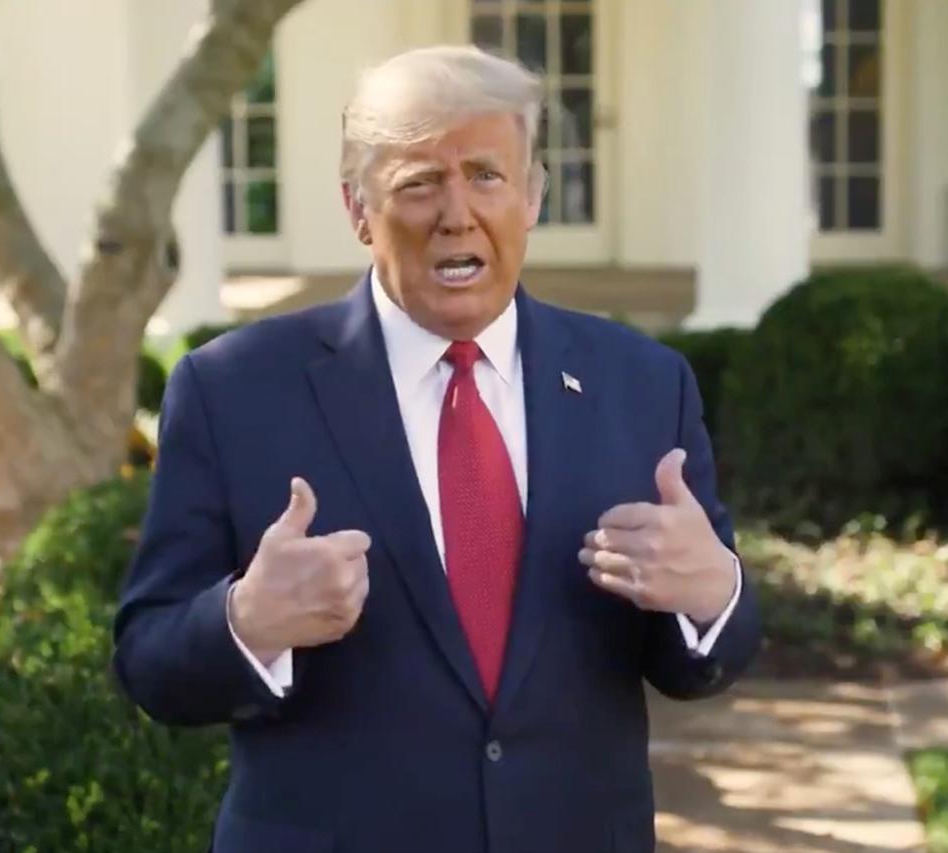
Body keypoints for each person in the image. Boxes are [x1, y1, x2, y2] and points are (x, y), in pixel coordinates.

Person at [112, 44, 760, 853]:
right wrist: (246, 621)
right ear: (356, 210)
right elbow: (149, 660)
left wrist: (711, 591)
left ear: (532, 197)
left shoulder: (642, 384)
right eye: (419, 182)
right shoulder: (233, 391)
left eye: (487, 174)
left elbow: (707, 655)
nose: (458, 212)